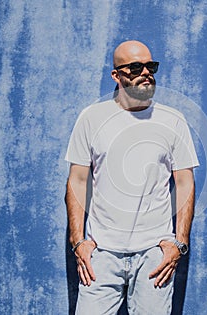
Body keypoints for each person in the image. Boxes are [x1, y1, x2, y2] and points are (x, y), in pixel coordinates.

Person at [65, 40, 199, 315]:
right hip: (100, 254)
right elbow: (77, 180)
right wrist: (79, 242)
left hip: (154, 256)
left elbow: (185, 183)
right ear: (117, 75)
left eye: (151, 66)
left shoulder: (173, 120)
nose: (146, 72)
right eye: (136, 67)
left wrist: (179, 244)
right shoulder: (91, 118)